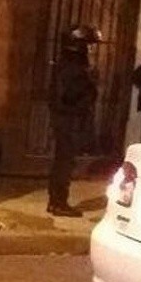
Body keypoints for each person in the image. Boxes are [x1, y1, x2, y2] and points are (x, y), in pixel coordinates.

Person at [48, 24, 102, 217]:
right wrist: (90, 81)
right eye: (89, 44)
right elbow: (70, 94)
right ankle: (58, 202)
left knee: (63, 161)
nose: (92, 49)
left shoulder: (68, 64)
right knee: (64, 162)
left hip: (66, 119)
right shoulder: (73, 67)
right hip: (68, 120)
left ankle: (56, 201)